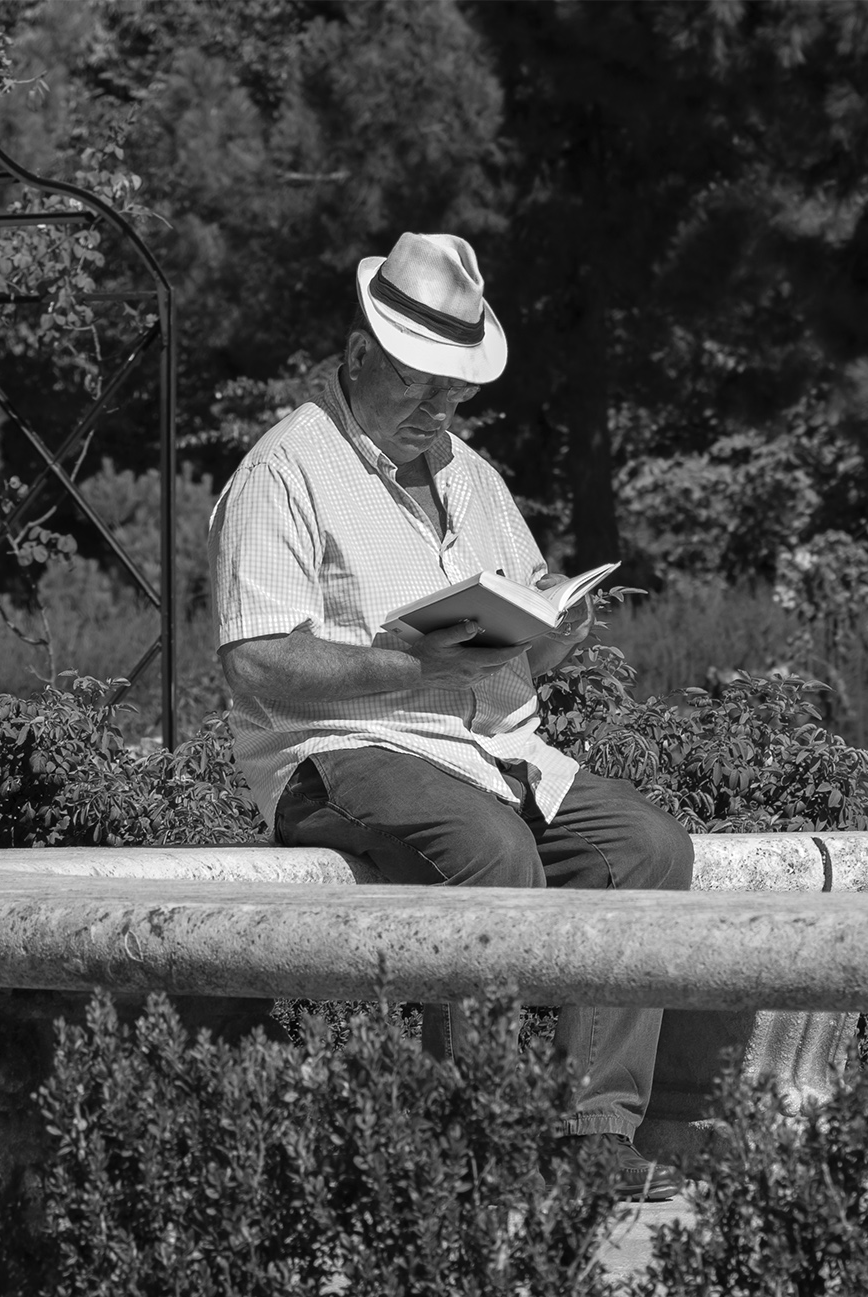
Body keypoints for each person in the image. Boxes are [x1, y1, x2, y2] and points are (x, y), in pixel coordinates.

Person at [208, 231, 688, 1202]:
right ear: (358, 354)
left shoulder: (472, 475)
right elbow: (254, 657)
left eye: (455, 391)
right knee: (492, 854)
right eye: (420, 385)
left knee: (648, 849)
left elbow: (512, 652)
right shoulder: (283, 470)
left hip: (493, 752)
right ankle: (470, 1154)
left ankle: (593, 1138)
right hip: (344, 754)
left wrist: (556, 631)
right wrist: (405, 663)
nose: (438, 410)